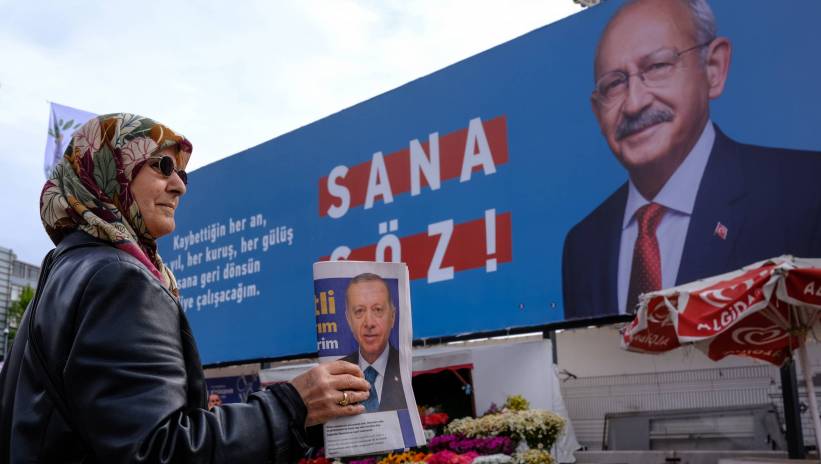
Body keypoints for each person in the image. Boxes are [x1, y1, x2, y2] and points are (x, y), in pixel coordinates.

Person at [0, 113, 371, 462]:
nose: (178, 186)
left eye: (183, 175)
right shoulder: (119, 278)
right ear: (110, 170)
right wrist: (291, 406)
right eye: (163, 166)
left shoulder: (64, 271)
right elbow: (160, 450)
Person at [562, 0, 821, 320]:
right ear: (597, 110)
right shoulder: (583, 246)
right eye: (614, 84)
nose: (634, 103)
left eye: (657, 67)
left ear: (714, 68)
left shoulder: (804, 192)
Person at [340, 273, 407, 412]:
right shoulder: (337, 373)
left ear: (392, 316)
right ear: (349, 320)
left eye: (378, 310)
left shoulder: (407, 366)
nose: (369, 323)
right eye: (359, 311)